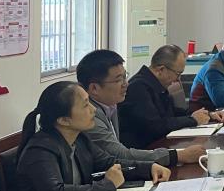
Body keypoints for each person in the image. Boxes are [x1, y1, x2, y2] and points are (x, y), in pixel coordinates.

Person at [14, 81, 168, 191]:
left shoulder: (80, 139)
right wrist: (108, 185)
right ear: (64, 120)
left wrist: (149, 168)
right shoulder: (40, 150)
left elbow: (109, 163)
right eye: (86, 105)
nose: (93, 109)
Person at [78, 48, 213, 168]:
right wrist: (177, 156)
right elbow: (120, 154)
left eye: (125, 76)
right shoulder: (90, 115)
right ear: (94, 88)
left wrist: (204, 115)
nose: (126, 84)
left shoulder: (110, 104)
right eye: (119, 79)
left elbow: (171, 114)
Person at [120, 44, 224, 149]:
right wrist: (193, 120)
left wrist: (207, 114)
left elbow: (173, 113)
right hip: (145, 151)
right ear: (161, 70)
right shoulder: (138, 87)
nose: (178, 80)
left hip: (161, 145)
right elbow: (155, 127)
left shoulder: (155, 83)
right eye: (178, 74)